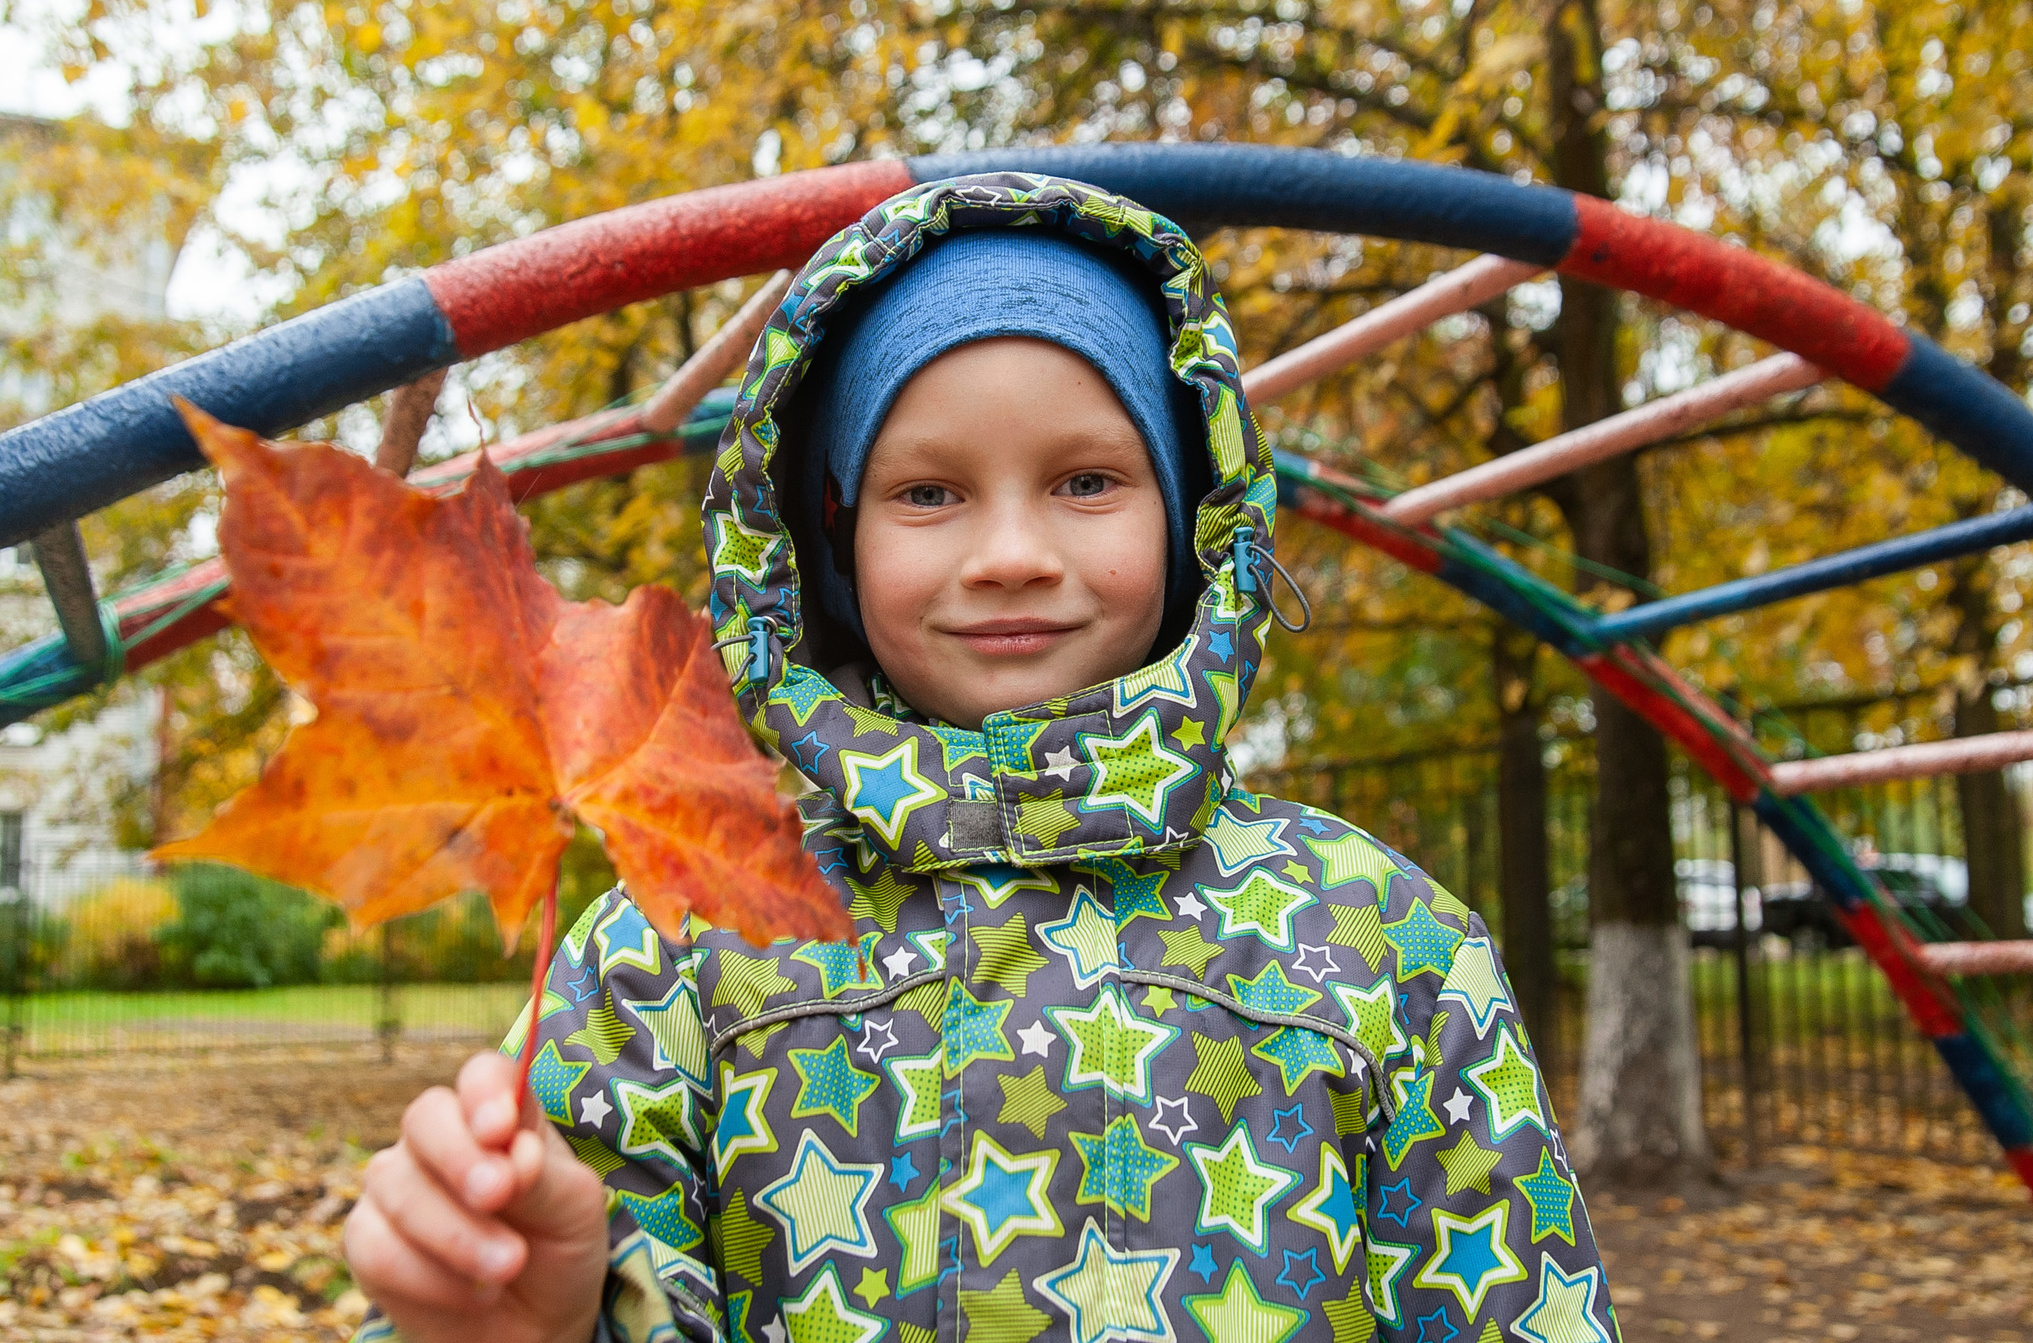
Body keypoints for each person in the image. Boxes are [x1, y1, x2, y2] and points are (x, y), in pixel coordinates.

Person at [343, 174, 1621, 1343]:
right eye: (929, 493)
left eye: (1084, 480)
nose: (1009, 550)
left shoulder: (1375, 938)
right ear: (830, 542)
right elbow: (518, 1277)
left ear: (1189, 522)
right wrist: (540, 1319)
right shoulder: (675, 943)